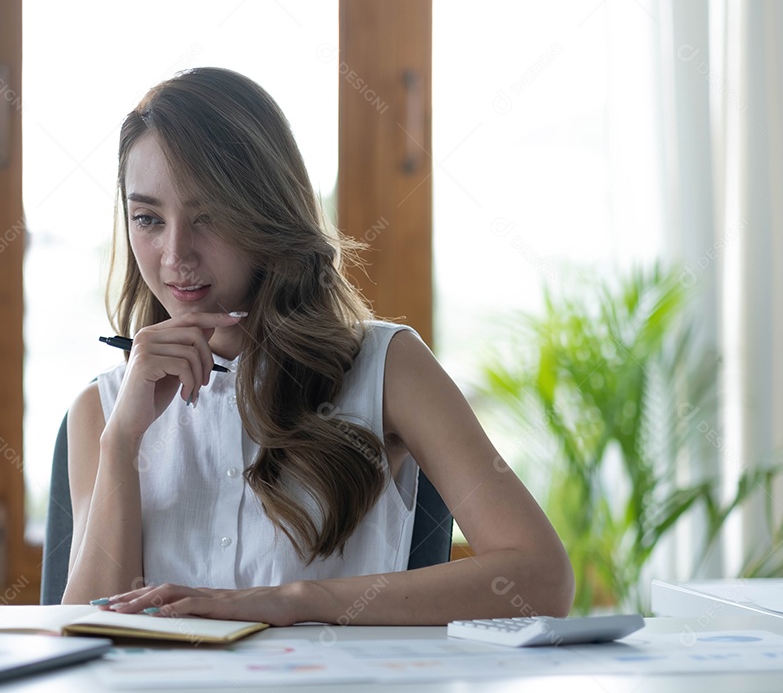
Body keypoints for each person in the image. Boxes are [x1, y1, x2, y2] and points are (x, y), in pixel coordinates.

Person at [61, 67, 573, 626]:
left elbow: (541, 578)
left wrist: (300, 602)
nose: (175, 253)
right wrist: (122, 445)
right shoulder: (103, 411)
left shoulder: (388, 367)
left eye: (209, 215)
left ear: (267, 211)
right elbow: (85, 635)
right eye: (148, 218)